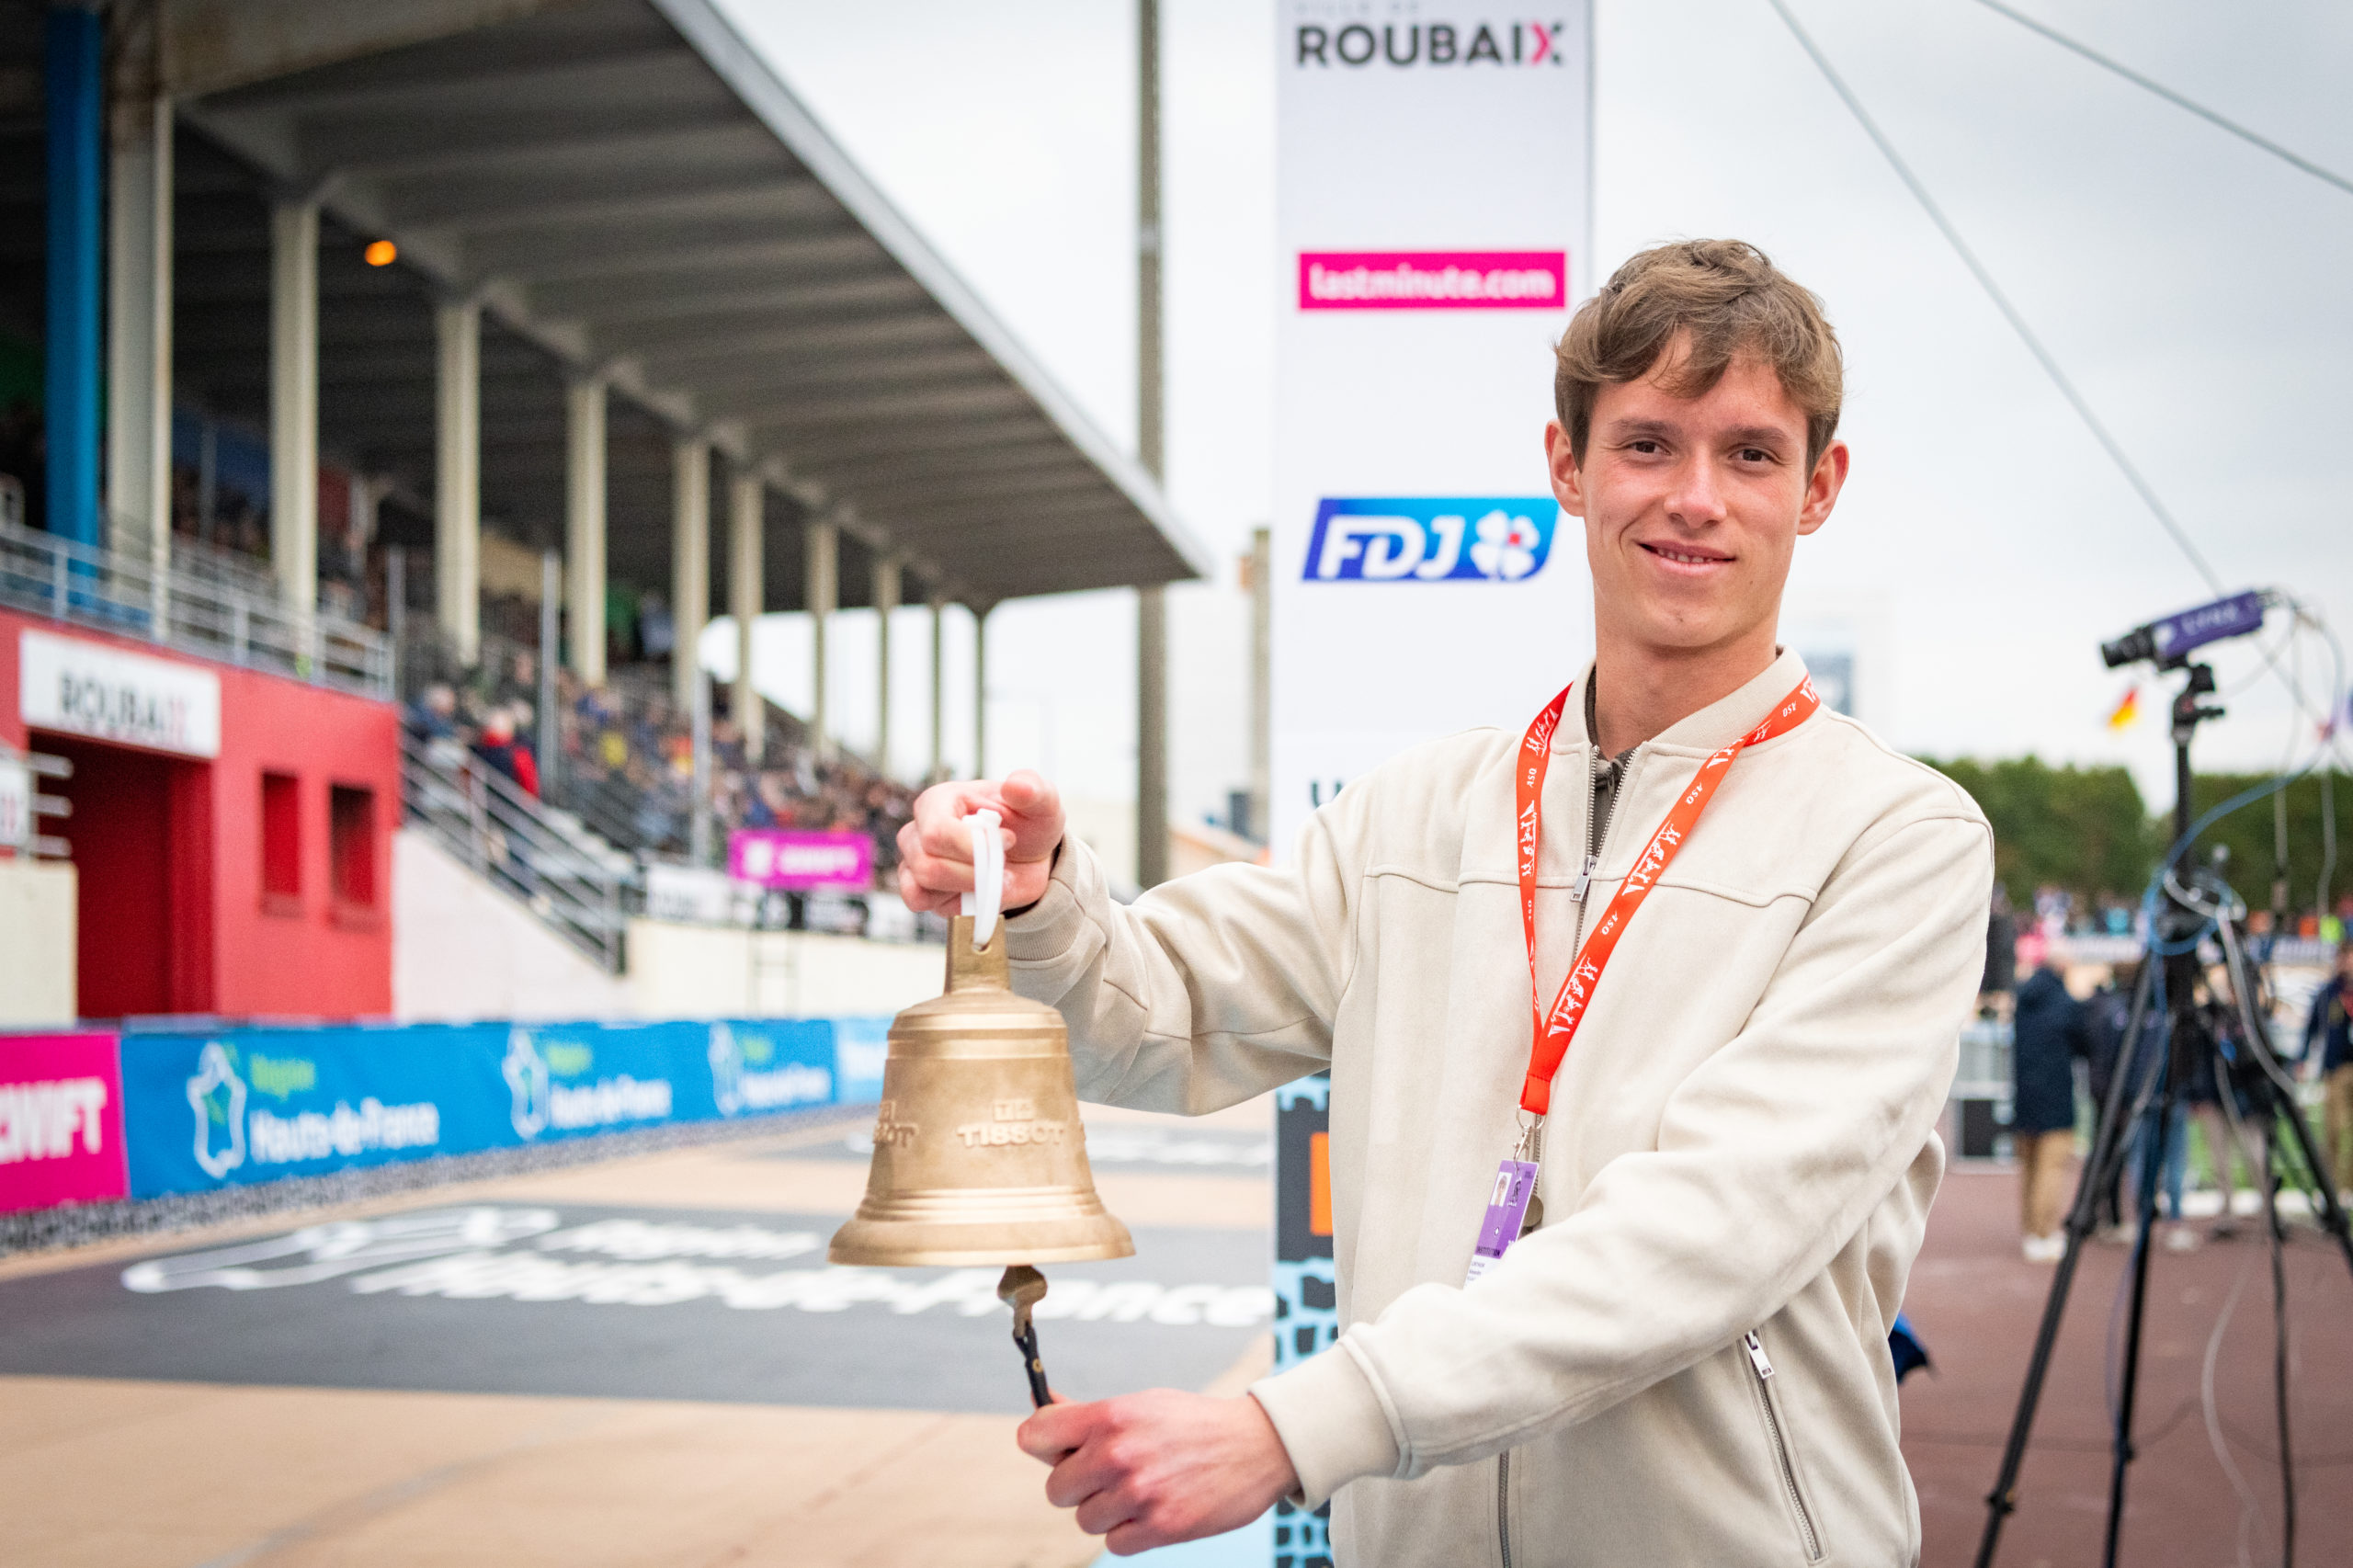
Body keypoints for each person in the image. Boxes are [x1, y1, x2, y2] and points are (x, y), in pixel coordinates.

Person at [899, 242, 1993, 1564]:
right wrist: (1037, 910)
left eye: (1750, 454)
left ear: (1819, 487)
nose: (1696, 497)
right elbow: (1158, 1019)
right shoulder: (1419, 811)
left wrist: (1298, 1424)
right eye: (1647, 443)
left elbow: (1713, 1227)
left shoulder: (1897, 833)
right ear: (1567, 466)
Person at [2009, 941, 2088, 1261]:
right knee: (2051, 1169)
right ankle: (2044, 1233)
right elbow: (2083, 1043)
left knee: (2029, 1168)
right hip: (2055, 1096)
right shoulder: (2065, 1004)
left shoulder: (2023, 999)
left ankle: (2031, 1230)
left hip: (2024, 1095)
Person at [2302, 938, 2353, 1195]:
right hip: (2336, 1069)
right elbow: (2311, 1029)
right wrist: (2302, 1059)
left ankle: (2349, 1185)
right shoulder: (2329, 993)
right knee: (2333, 1130)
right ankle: (2331, 1188)